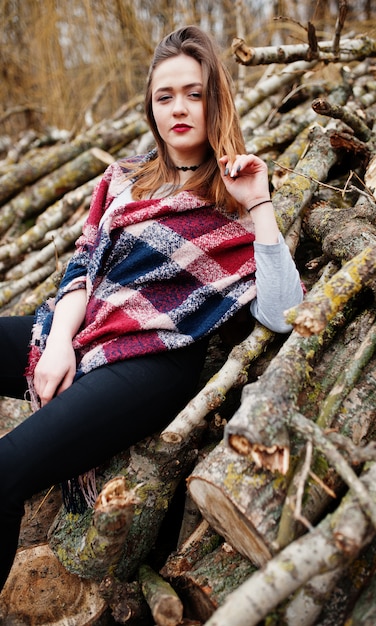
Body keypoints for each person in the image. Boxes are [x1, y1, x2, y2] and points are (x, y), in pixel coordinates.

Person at [0, 25, 303, 592]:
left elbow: (286, 313)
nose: (180, 108)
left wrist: (259, 203)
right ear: (151, 108)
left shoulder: (234, 195)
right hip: (85, 328)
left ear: (217, 101)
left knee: (7, 471)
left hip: (153, 364)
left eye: (195, 93)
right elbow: (81, 267)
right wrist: (61, 340)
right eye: (165, 97)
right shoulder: (125, 177)